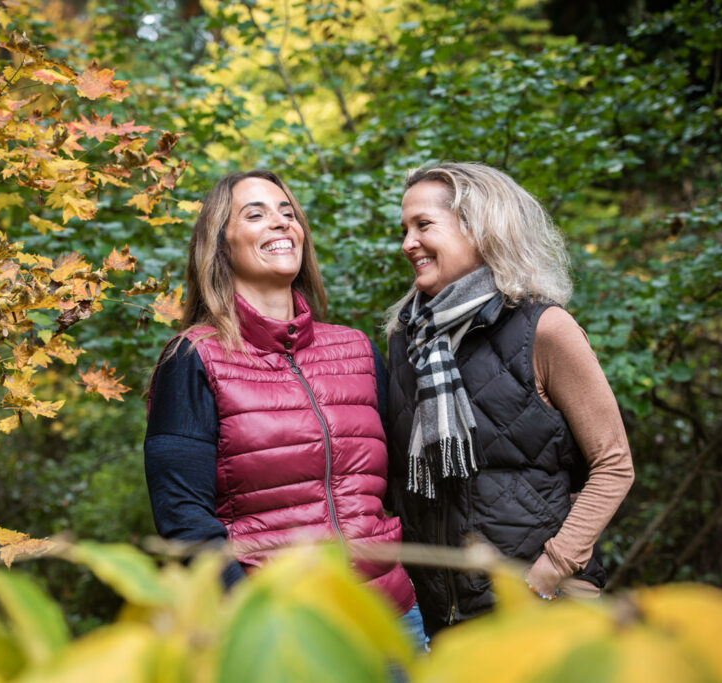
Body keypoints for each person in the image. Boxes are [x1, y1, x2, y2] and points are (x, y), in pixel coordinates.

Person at [143, 170, 422, 644]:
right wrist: (249, 614)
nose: (280, 223)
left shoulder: (355, 349)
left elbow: (396, 485)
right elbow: (183, 517)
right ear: (221, 243)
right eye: (256, 214)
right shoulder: (193, 359)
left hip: (392, 621)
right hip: (283, 629)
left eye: (288, 214)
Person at [384, 162, 634, 633]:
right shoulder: (406, 340)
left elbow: (614, 463)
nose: (407, 244)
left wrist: (550, 572)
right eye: (404, 229)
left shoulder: (544, 329)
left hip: (543, 609)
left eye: (423, 226)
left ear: (479, 229)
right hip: (446, 616)